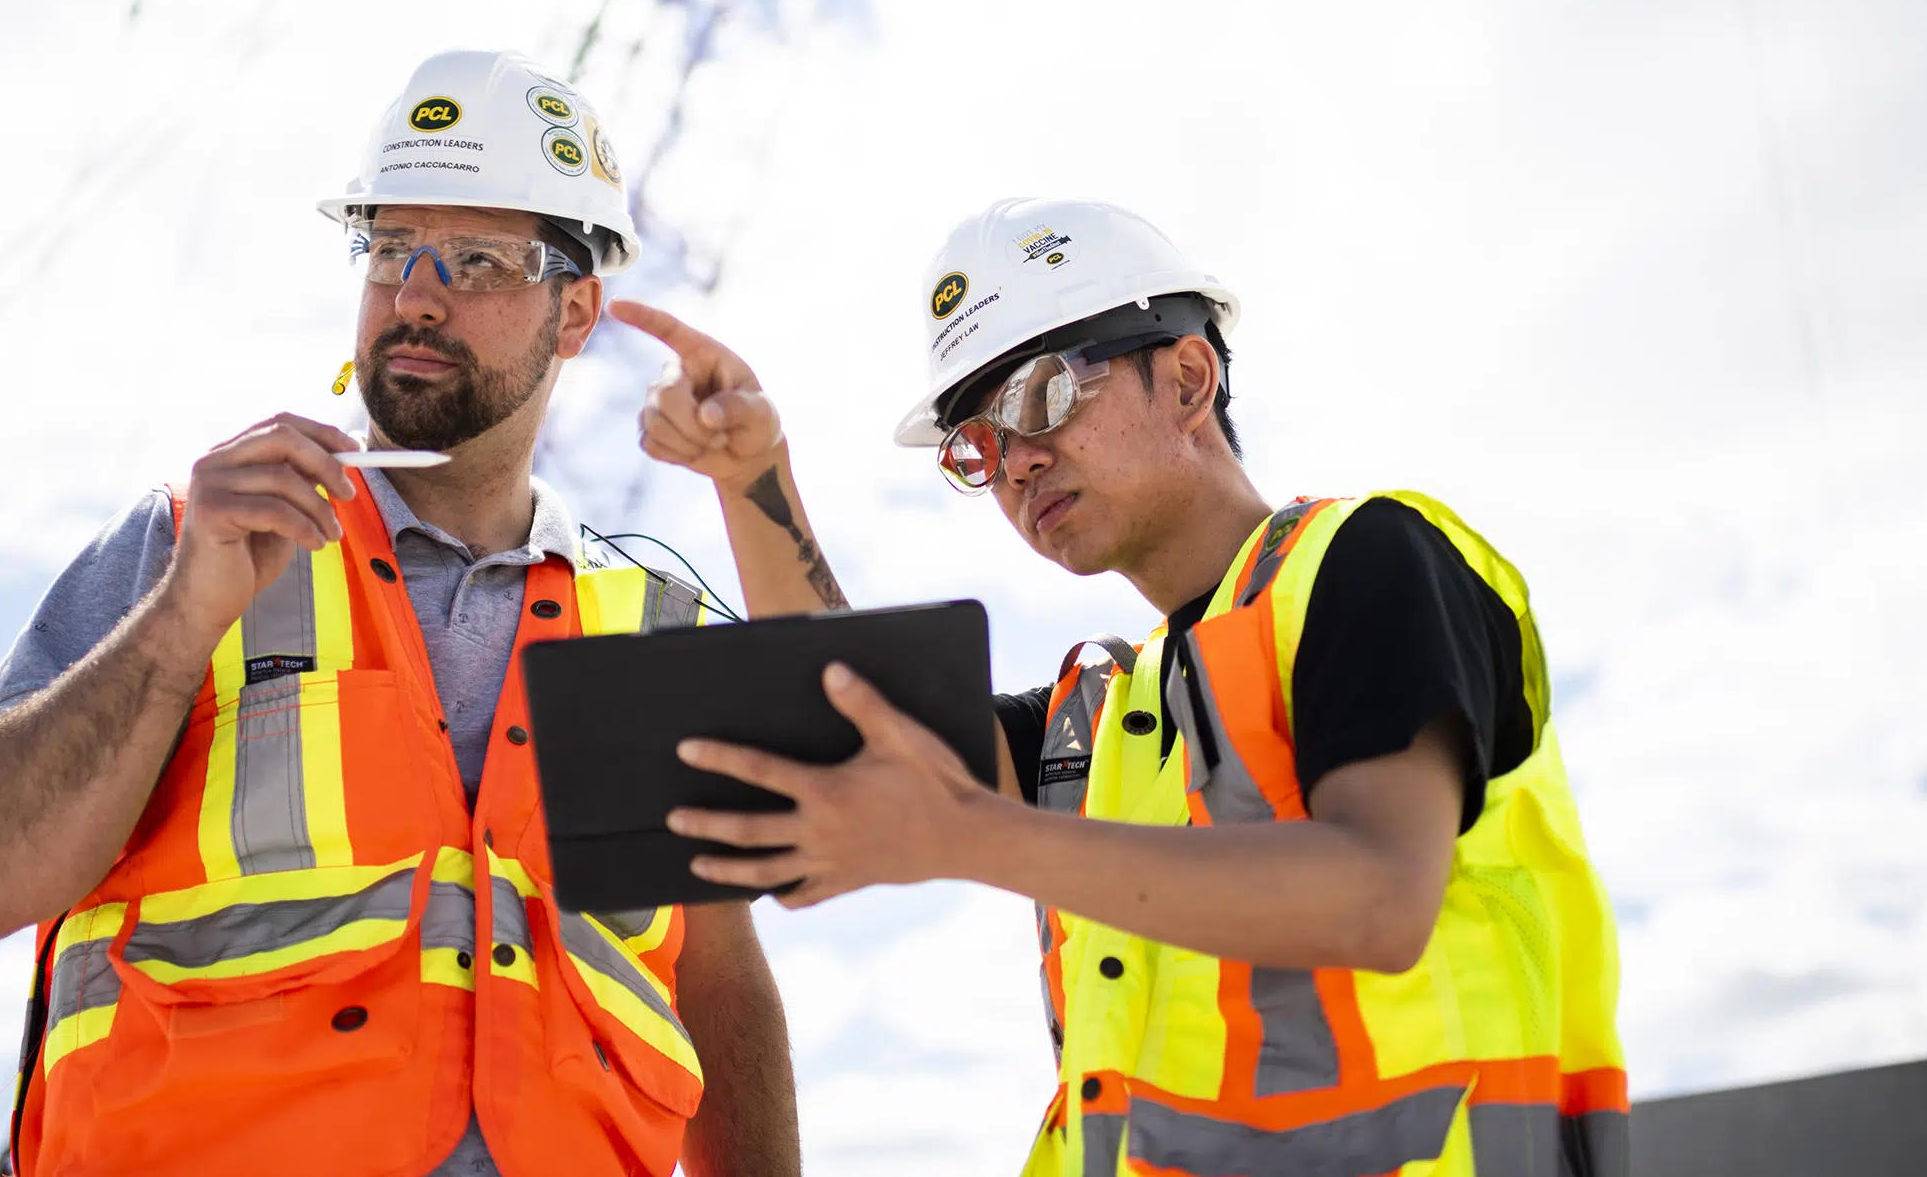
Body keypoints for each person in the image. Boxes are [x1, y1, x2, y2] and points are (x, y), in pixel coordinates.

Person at [615, 196, 1627, 1177]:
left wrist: (966, 832)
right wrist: (754, 477)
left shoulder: (1362, 559)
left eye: (1043, 395)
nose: (1016, 461)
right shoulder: (1097, 724)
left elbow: (1378, 897)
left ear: (1188, 378)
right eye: (979, 444)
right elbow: (851, 722)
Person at [0, 52, 800, 1177]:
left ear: (575, 312)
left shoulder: (648, 629)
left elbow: (717, 984)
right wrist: (185, 619)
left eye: (476, 261)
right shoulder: (197, 540)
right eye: (390, 250)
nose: (417, 296)